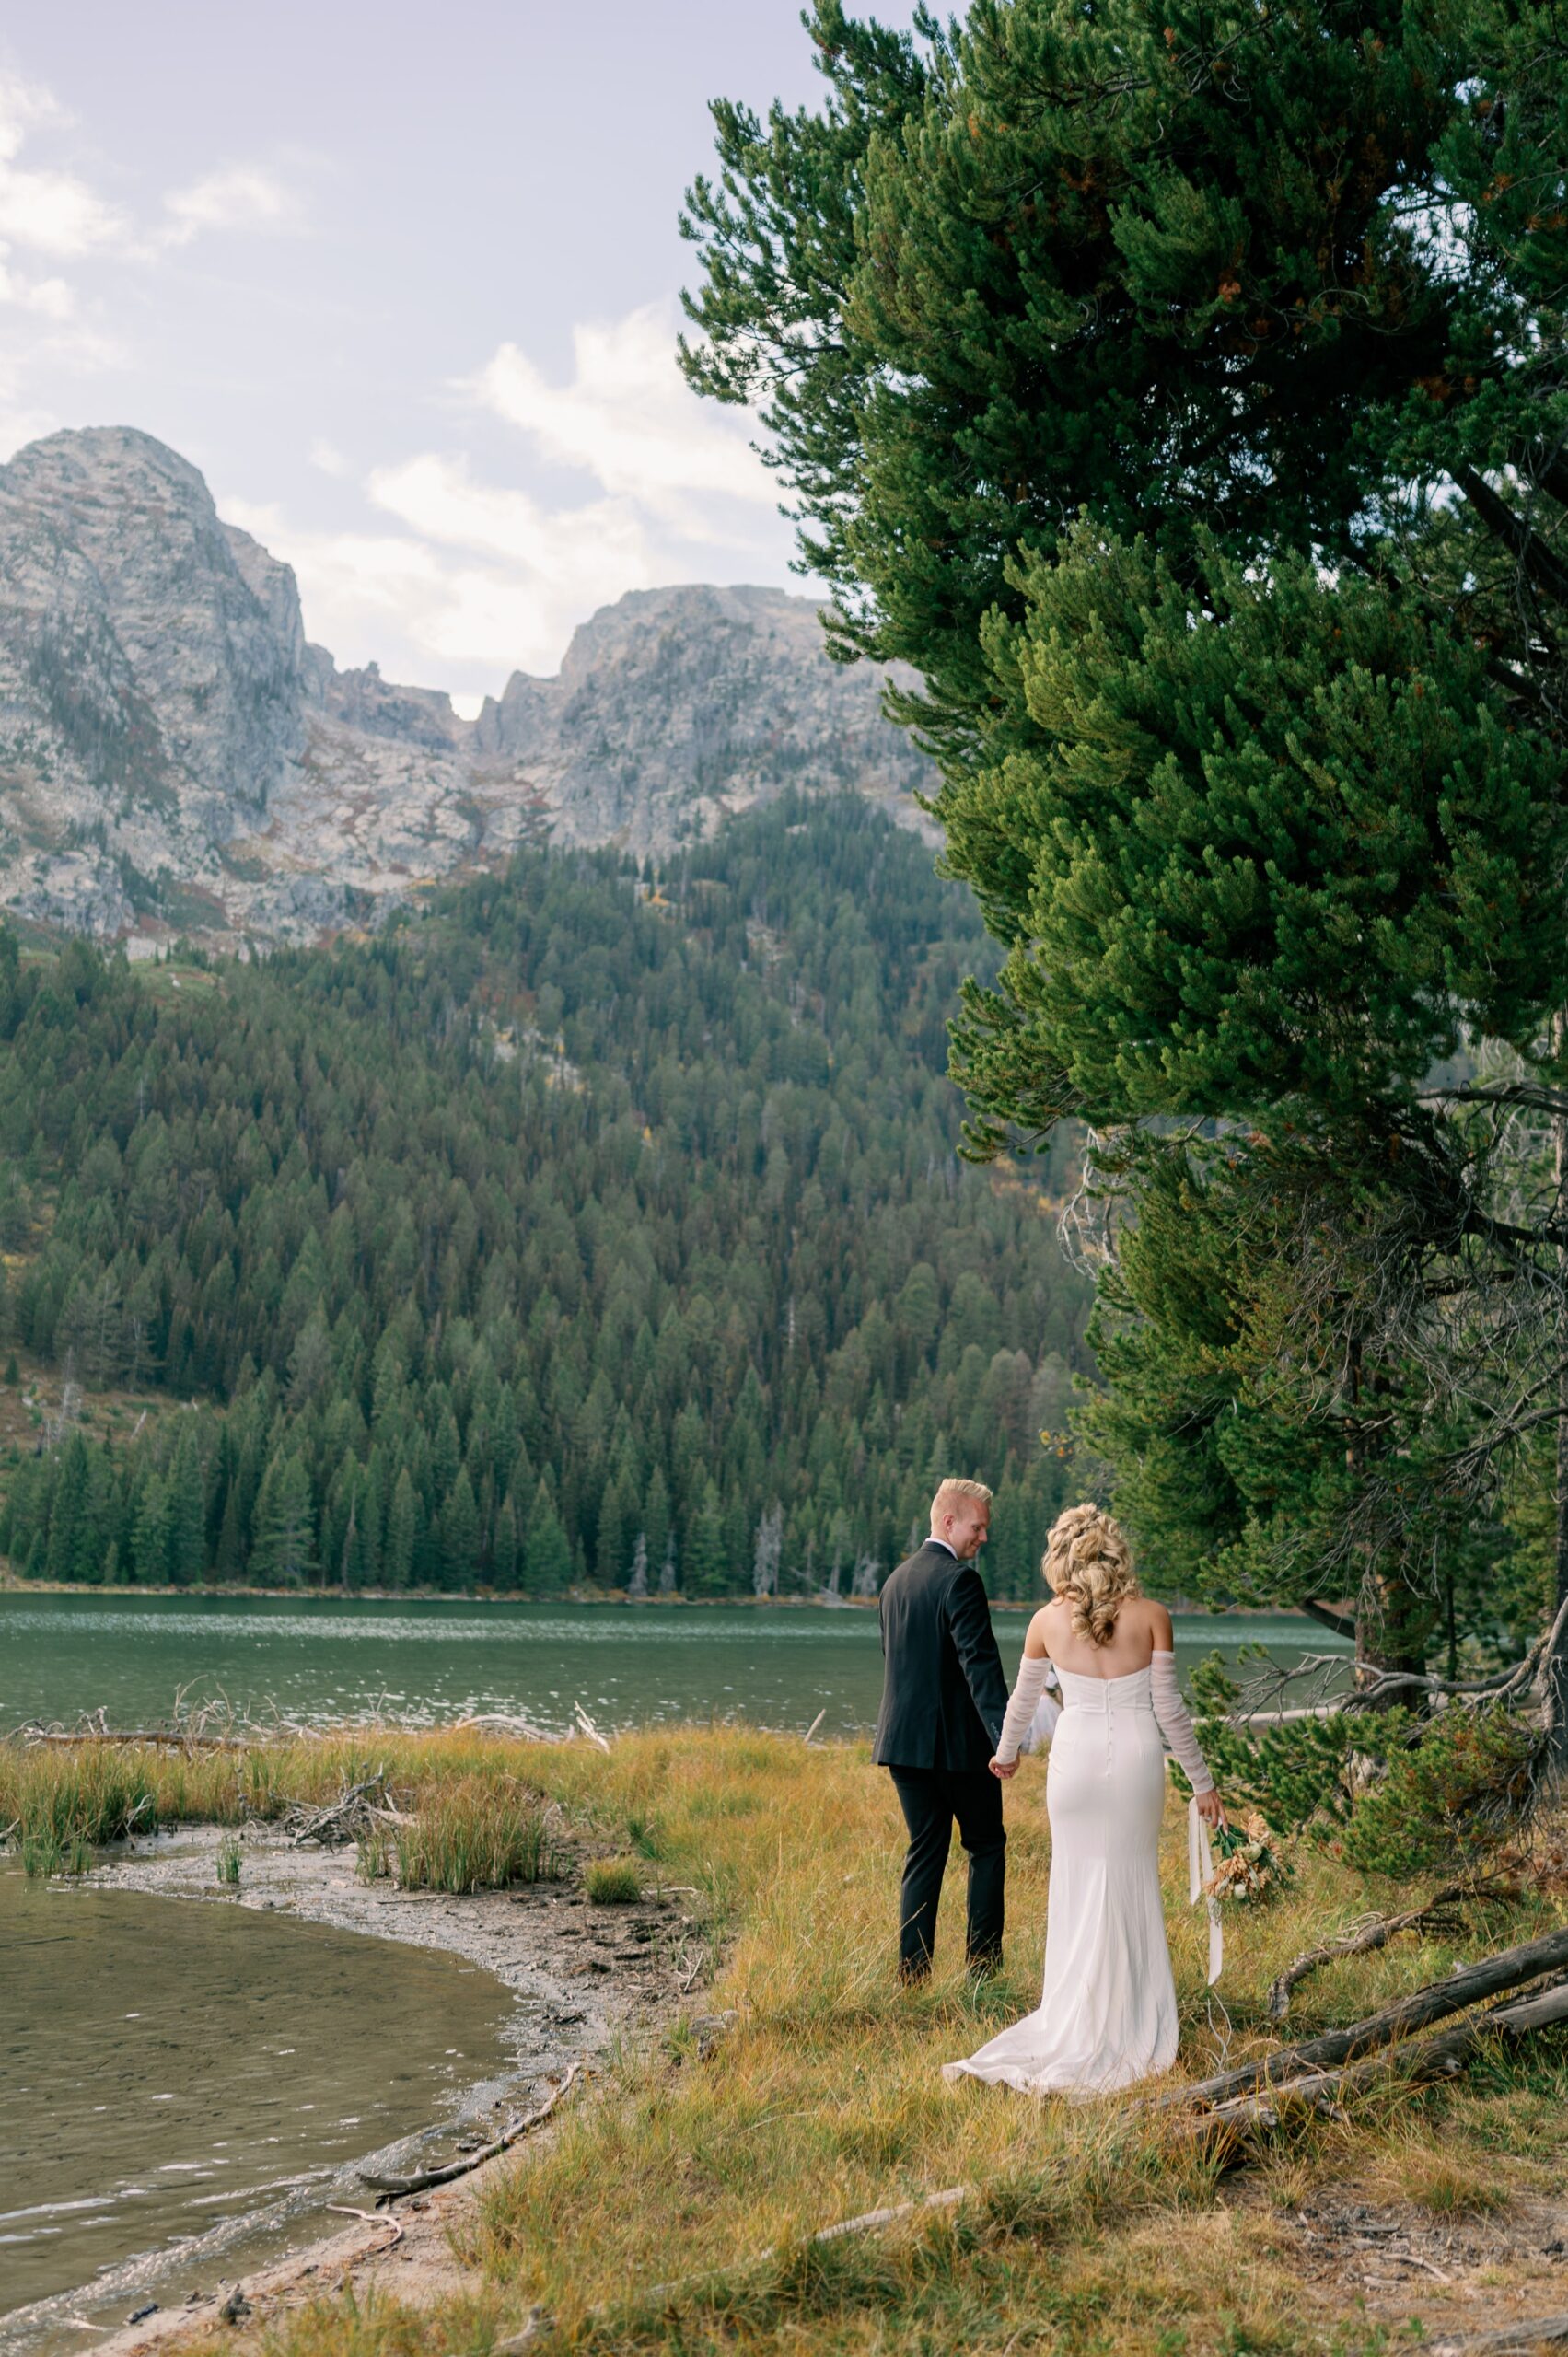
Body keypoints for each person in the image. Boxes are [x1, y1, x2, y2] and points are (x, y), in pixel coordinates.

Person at [944, 1502, 1227, 2096]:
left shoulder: (1045, 1621)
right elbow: (1169, 1709)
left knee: (1075, 1884)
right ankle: (1126, 2018)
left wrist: (1005, 1753)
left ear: (1062, 1556)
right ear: (1116, 1553)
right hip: (1132, 1759)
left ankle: (1074, 2015)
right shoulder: (1151, 1616)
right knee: (1128, 1881)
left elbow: (1021, 1702)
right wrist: (1201, 1783)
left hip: (1072, 1767)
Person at [871, 1476, 1010, 1980]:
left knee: (925, 1852)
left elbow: (898, 1665)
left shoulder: (894, 1583)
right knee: (986, 1846)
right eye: (978, 1527)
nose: (983, 1538)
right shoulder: (960, 1582)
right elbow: (981, 1667)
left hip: (902, 1748)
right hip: (958, 1751)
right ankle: (982, 1972)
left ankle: (912, 1975)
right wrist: (1005, 1739)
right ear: (949, 1521)